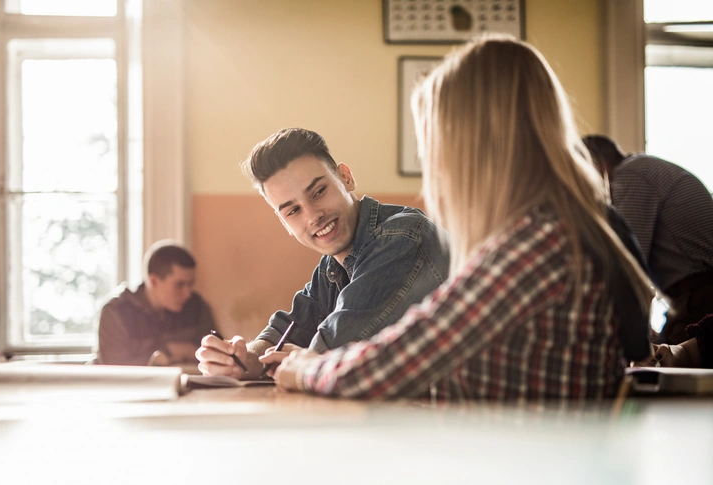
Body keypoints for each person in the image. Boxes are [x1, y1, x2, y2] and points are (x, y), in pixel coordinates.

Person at [261, 34, 655, 402]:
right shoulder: (554, 227)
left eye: (434, 143)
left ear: (474, 144)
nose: (434, 164)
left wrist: (306, 369)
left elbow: (392, 364)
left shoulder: (537, 243)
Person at [195, 128, 449, 378]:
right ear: (284, 223)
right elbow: (290, 329)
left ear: (346, 177)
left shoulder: (402, 238)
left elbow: (332, 352)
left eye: (318, 192)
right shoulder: (333, 266)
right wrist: (243, 358)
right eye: (293, 211)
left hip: (458, 416)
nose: (313, 216)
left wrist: (293, 362)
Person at [582, 134, 713, 344]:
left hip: (701, 299)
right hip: (692, 297)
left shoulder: (631, 174)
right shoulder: (643, 169)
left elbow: (625, 265)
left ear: (596, 167)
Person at [95, 241, 215, 366]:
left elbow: (217, 356)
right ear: (153, 281)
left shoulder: (197, 307)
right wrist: (168, 351)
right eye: (179, 285)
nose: (187, 293)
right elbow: (114, 369)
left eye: (190, 284)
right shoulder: (116, 311)